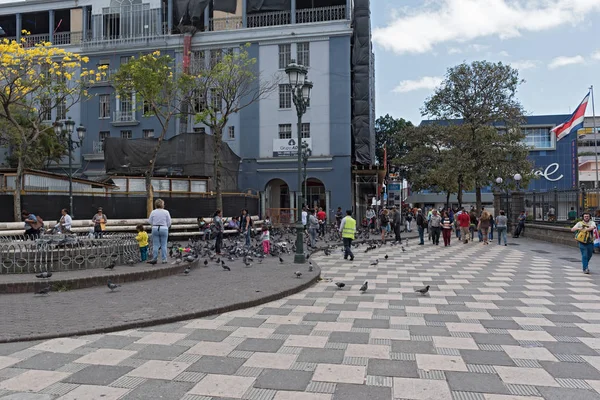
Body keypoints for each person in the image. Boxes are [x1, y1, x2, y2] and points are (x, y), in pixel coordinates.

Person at [148, 199, 171, 264]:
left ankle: (155, 258)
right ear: (162, 205)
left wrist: (154, 224)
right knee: (164, 244)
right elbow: (169, 222)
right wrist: (166, 226)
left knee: (155, 244)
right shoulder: (166, 212)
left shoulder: (153, 212)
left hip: (155, 228)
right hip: (164, 228)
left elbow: (150, 221)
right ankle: (164, 259)